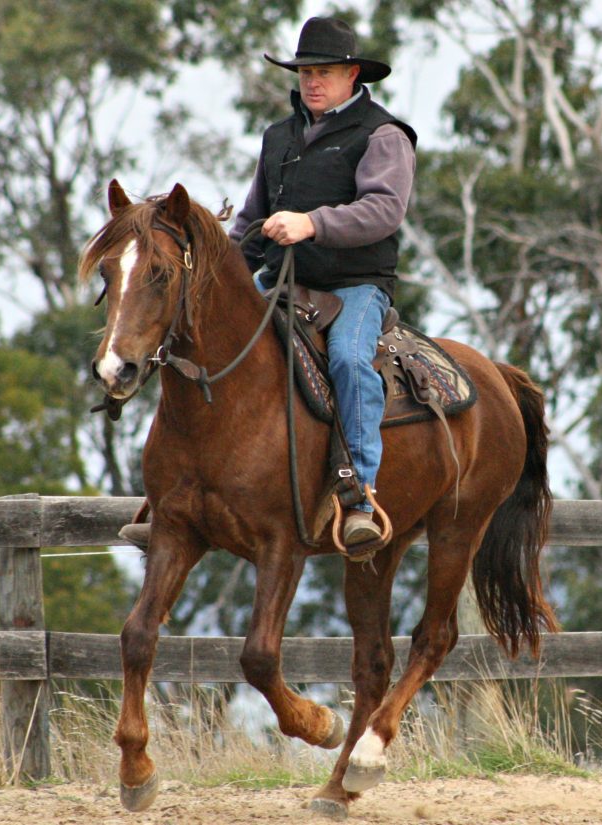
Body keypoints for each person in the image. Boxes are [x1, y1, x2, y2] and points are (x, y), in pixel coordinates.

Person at [229, 16, 417, 550]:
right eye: (306, 71)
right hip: (284, 284)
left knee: (350, 362)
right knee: (215, 346)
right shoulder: (277, 138)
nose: (313, 81)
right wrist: (216, 280)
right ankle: (177, 491)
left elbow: (384, 209)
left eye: (326, 71)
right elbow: (249, 224)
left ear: (353, 74)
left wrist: (312, 222)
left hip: (355, 287)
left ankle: (358, 496)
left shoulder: (383, 135)